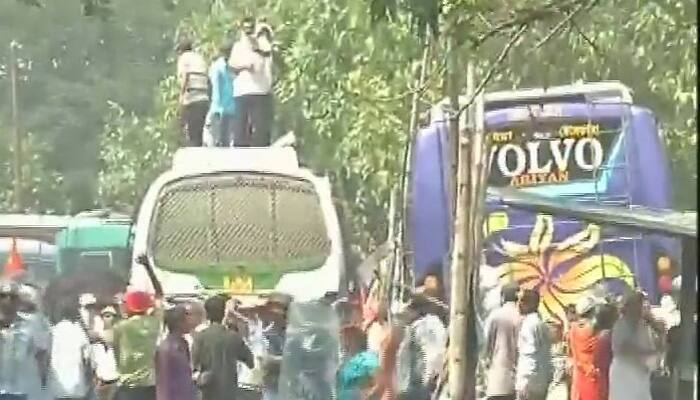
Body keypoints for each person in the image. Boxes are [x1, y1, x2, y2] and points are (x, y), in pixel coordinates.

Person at [192, 295, 254, 400]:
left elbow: (193, 364)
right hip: (229, 391)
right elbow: (251, 362)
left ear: (207, 314)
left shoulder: (200, 337)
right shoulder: (234, 337)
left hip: (208, 391)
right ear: (224, 313)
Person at [0, 280, 50, 400]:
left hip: (19, 391)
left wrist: (43, 385)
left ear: (18, 301)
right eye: (2, 296)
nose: (7, 300)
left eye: (12, 297)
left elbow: (41, 355)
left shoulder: (30, 325)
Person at [229, 17, 274, 147]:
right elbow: (232, 65)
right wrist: (244, 66)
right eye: (245, 29)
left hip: (260, 90)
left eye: (250, 29)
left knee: (260, 126)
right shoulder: (238, 47)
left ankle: (261, 153)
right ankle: (240, 153)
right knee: (240, 125)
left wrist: (257, 48)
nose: (248, 32)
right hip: (242, 90)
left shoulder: (263, 44)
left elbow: (267, 56)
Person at [608, 290, 661, 400]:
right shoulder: (621, 325)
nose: (640, 307)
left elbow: (658, 341)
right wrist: (648, 354)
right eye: (637, 304)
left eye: (640, 303)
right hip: (624, 375)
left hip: (641, 375)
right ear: (627, 307)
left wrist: (654, 324)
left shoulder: (643, 325)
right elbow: (625, 348)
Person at [112, 290, 160, 400]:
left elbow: (115, 349)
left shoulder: (121, 327)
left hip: (128, 384)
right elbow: (159, 303)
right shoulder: (155, 323)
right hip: (150, 384)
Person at [483, 282, 522, 400]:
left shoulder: (495, 315)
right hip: (519, 376)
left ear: (503, 297)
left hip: (497, 375)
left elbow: (486, 343)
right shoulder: (522, 316)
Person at [49, 299, 92, 400]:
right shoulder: (78, 331)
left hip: (57, 387)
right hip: (77, 386)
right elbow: (87, 358)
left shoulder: (53, 331)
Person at [515, 289, 552, 400]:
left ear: (529, 304)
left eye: (521, 301)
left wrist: (525, 381)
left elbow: (530, 354)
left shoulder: (529, 324)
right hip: (541, 380)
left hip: (529, 382)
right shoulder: (541, 324)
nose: (518, 304)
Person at [155, 305, 197, 400]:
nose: (191, 321)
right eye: (188, 317)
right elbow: (164, 384)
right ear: (179, 323)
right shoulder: (167, 349)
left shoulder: (183, 343)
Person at [176, 38, 210, 147]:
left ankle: (193, 153)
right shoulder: (199, 58)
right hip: (203, 97)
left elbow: (185, 76)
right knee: (199, 129)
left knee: (191, 128)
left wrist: (181, 95)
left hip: (192, 97)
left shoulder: (184, 59)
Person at [337, 326, 380, 400]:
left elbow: (379, 382)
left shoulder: (367, 357)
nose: (342, 345)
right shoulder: (344, 362)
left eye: (344, 340)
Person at [207, 41, 236, 147]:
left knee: (224, 140)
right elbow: (215, 86)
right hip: (223, 108)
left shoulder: (223, 67)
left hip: (225, 108)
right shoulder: (220, 67)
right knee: (222, 140)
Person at [93, 306, 120, 400]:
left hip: (116, 381)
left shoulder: (119, 335)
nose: (108, 318)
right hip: (101, 382)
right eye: (106, 316)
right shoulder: (97, 337)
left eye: (111, 316)